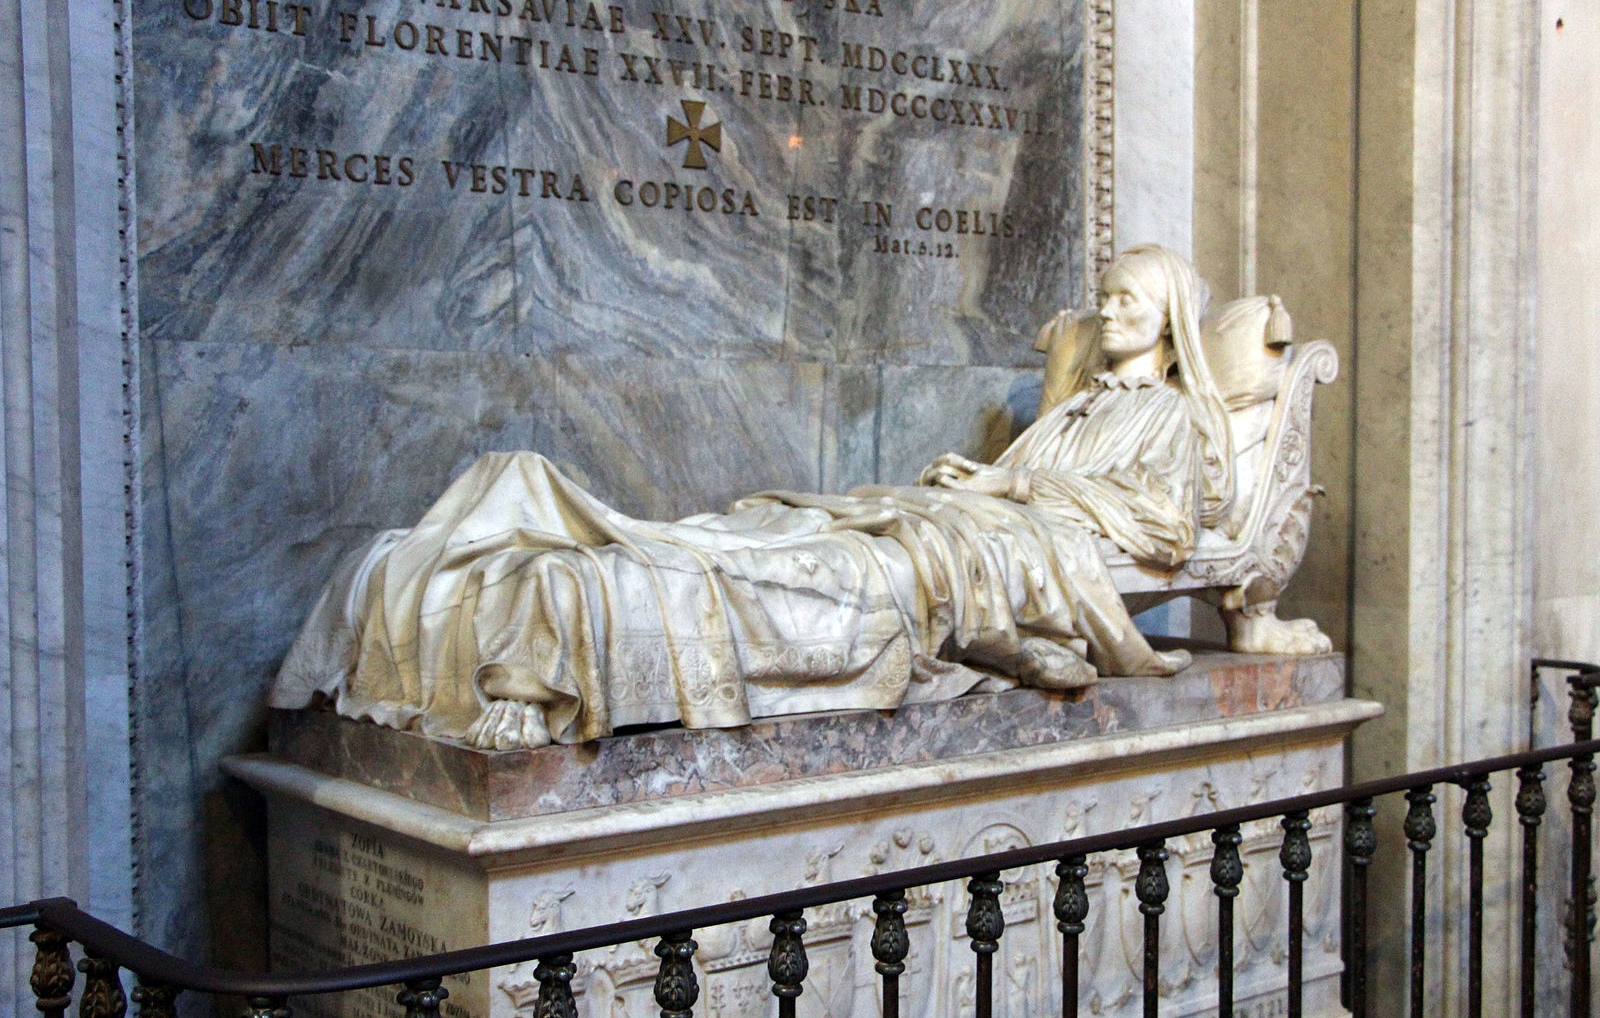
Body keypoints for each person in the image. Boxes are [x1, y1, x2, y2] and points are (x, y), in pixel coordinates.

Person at [270, 245, 1234, 750]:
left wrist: (1010, 480)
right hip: (944, 523)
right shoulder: (1075, 411)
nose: (1106, 313)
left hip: (983, 546)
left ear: (1169, 321)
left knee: (804, 572)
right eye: (1102, 298)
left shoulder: (1173, 418)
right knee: (751, 532)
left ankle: (564, 624)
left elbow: (1161, 527)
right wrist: (996, 474)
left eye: (1127, 303)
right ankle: (544, 571)